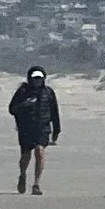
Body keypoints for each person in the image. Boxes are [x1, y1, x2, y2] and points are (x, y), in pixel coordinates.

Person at [10, 66, 61, 194]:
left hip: (42, 128)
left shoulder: (48, 92)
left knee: (40, 151)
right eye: (35, 78)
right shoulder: (22, 92)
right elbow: (12, 109)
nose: (37, 81)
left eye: (39, 78)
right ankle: (22, 175)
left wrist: (56, 131)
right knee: (26, 156)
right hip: (26, 128)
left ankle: (36, 183)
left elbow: (55, 112)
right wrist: (25, 104)